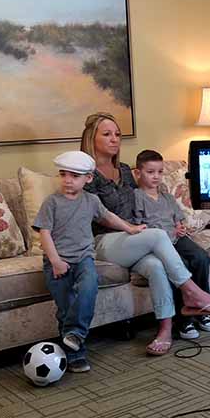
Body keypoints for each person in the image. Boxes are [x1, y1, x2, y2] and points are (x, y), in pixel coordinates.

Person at [80, 113, 210, 356]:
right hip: (105, 241)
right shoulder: (85, 173)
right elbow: (96, 214)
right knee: (158, 236)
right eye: (107, 134)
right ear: (91, 138)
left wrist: (168, 223)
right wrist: (131, 228)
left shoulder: (124, 171)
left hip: (134, 239)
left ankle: (165, 329)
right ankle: (193, 293)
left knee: (156, 267)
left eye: (117, 134)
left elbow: (143, 202)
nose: (114, 139)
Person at [33, 150, 147, 373]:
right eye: (63, 174)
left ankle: (75, 334)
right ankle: (76, 354)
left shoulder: (91, 200)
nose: (67, 180)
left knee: (88, 288)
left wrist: (130, 228)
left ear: (88, 178)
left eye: (74, 176)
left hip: (84, 258)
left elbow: (108, 217)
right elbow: (44, 233)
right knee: (66, 306)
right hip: (58, 262)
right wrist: (55, 261)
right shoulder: (51, 203)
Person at [132, 149, 210, 340]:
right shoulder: (137, 196)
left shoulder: (166, 196)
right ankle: (183, 320)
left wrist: (180, 227)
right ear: (138, 173)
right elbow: (138, 226)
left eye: (160, 172)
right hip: (159, 243)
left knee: (201, 257)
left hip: (177, 239)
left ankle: (202, 309)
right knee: (181, 267)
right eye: (150, 172)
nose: (156, 177)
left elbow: (177, 218)